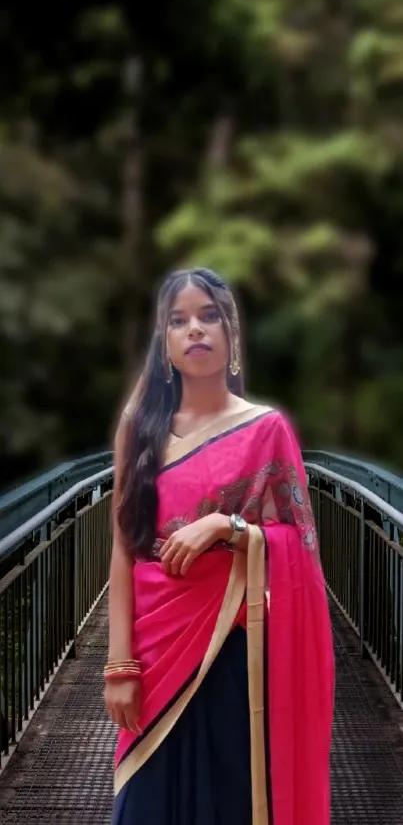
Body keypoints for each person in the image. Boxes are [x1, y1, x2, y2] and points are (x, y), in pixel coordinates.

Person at [104, 266, 335, 825]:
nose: (195, 330)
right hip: (155, 657)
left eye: (209, 316)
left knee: (231, 801)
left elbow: (300, 549)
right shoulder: (140, 429)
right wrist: (119, 667)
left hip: (235, 659)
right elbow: (122, 550)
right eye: (178, 320)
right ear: (164, 343)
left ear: (231, 333)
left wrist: (229, 529)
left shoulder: (265, 429)